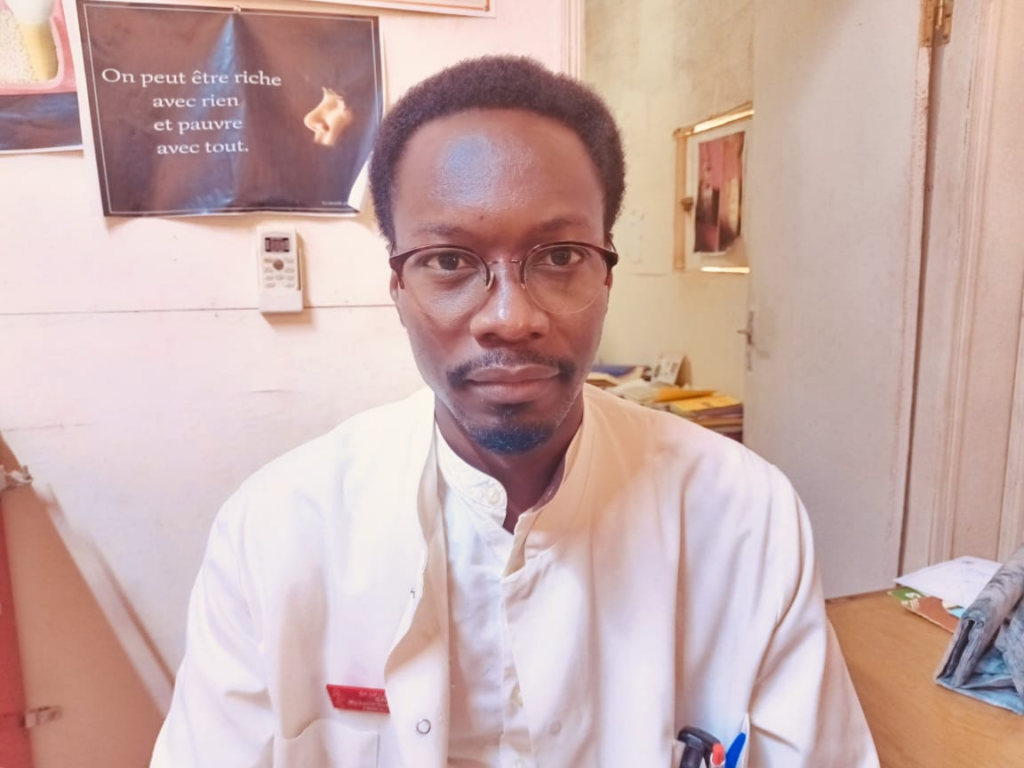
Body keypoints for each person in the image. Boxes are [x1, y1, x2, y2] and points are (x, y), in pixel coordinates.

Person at [150, 55, 879, 767]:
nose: (509, 317)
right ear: (398, 288)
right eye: (449, 261)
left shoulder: (744, 515)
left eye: (559, 256)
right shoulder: (276, 531)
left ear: (606, 275)